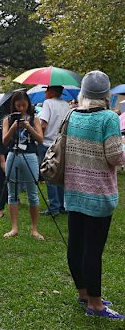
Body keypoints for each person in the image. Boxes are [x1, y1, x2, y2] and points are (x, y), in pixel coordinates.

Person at [63, 71, 125, 320]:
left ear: (84, 92)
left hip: (73, 191)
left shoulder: (72, 114)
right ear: (106, 94)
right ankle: (96, 305)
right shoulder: (108, 118)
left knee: (76, 245)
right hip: (98, 194)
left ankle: (84, 293)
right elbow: (115, 157)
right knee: (93, 250)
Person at [1, 90, 44, 240]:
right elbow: (4, 141)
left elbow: (40, 139)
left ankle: (34, 229)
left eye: (24, 105)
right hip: (13, 154)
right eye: (18, 105)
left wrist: (28, 127)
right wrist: (13, 127)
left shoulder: (34, 119)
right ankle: (14, 228)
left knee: (33, 193)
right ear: (13, 105)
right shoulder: (7, 119)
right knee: (12, 192)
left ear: (28, 104)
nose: (21, 109)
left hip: (30, 156)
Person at [38, 86, 70, 217]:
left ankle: (54, 206)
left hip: (47, 143)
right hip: (61, 143)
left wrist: (38, 136)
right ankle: (63, 205)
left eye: (47, 90)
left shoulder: (48, 103)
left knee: (49, 174)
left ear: (52, 91)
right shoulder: (66, 105)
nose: (45, 92)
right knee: (60, 174)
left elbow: (44, 124)